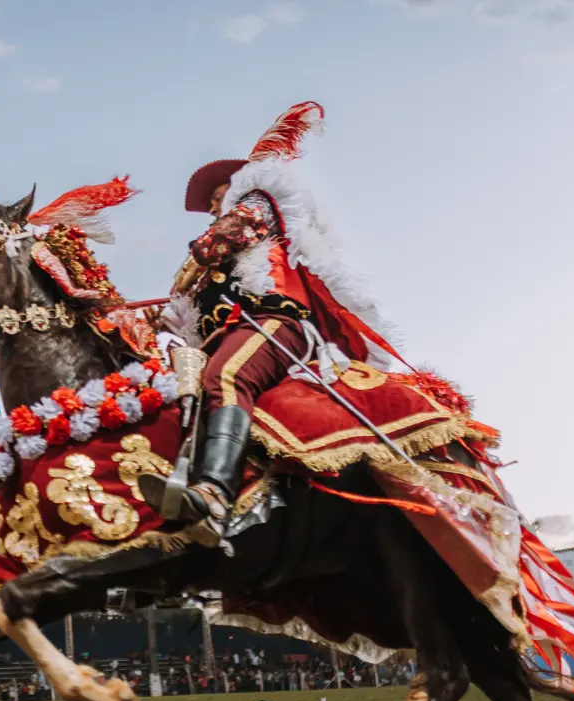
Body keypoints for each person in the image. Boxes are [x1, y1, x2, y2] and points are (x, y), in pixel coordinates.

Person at [144, 102, 402, 534]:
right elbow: (179, 309)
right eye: (210, 203)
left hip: (273, 323)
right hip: (218, 337)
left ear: (239, 186)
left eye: (217, 197)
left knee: (226, 378)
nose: (213, 207)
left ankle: (214, 495)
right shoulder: (208, 260)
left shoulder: (258, 206)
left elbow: (215, 244)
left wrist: (209, 241)